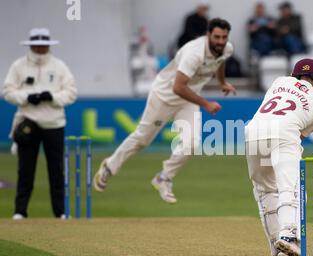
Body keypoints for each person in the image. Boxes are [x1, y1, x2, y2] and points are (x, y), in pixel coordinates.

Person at [94, 18, 236, 203]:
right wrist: (206, 104)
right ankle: (108, 167)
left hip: (188, 100)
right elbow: (178, 87)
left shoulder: (226, 49)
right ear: (208, 34)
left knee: (191, 144)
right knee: (142, 140)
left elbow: (221, 61)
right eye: (216, 37)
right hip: (164, 96)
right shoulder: (194, 53)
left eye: (224, 37)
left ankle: (164, 177)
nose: (220, 41)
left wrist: (222, 82)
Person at [244, 58, 313, 256]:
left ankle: (277, 244)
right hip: (284, 135)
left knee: (265, 189)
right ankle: (288, 235)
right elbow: (299, 136)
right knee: (292, 187)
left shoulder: (278, 82)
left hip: (253, 134)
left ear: (293, 76)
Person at [2, 28, 77, 220]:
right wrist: (27, 97)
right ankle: (20, 211)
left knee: (56, 170)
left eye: (44, 45)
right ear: (31, 45)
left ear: (49, 45)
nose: (41, 48)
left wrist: (52, 97)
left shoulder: (59, 66)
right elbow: (7, 92)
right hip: (29, 122)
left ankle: (60, 212)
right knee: (25, 169)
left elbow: (71, 93)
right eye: (37, 45)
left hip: (54, 123)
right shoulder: (19, 66)